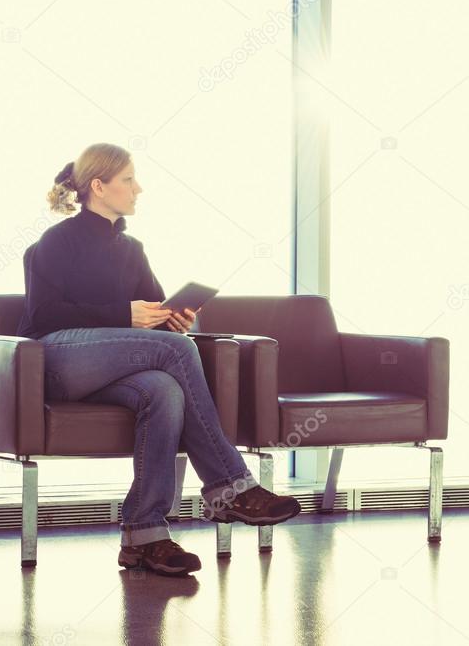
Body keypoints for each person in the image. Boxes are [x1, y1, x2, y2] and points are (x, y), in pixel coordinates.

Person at [16, 142, 301, 577]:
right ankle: (229, 485)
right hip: (59, 358)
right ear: (99, 186)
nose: (138, 188)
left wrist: (172, 320)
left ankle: (144, 536)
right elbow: (42, 316)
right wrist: (121, 315)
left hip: (116, 363)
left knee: (165, 390)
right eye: (129, 179)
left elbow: (152, 313)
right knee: (179, 352)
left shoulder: (132, 248)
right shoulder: (56, 242)